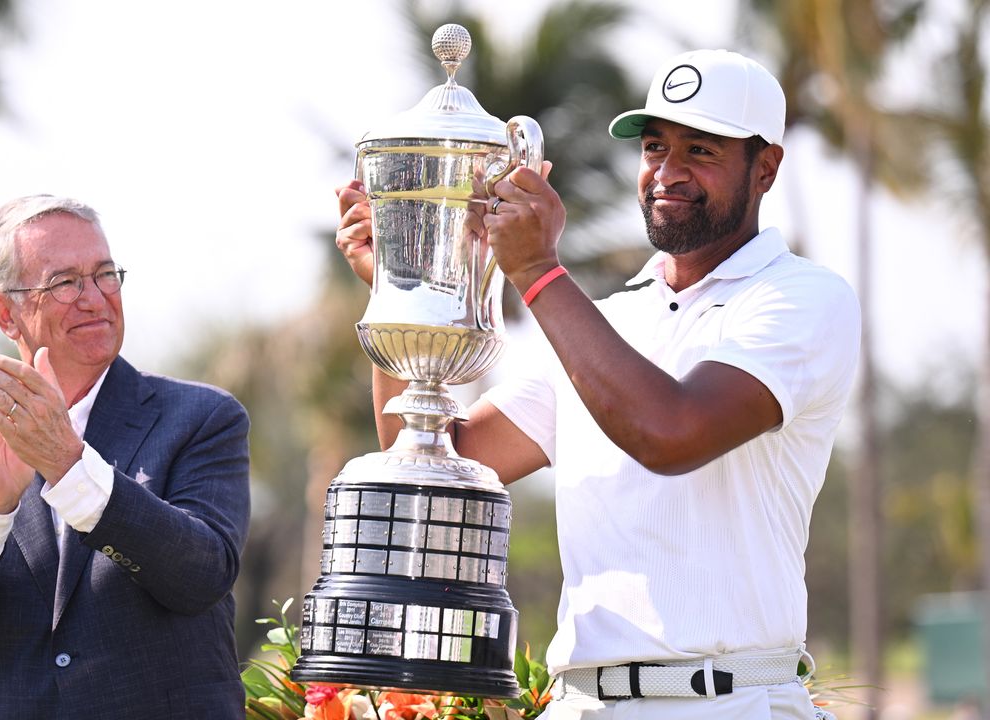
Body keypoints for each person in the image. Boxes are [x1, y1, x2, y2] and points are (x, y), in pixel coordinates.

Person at [334, 49, 860, 719]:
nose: (668, 173)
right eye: (654, 148)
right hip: (580, 705)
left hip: (729, 700)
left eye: (701, 150)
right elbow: (439, 460)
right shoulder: (605, 325)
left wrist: (537, 271)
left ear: (766, 168)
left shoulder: (804, 298)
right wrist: (403, 287)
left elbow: (670, 433)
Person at [0, 195, 251, 719]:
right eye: (65, 282)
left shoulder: (201, 419)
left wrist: (68, 465)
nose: (95, 297)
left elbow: (202, 577)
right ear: (5, 313)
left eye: (106, 274)